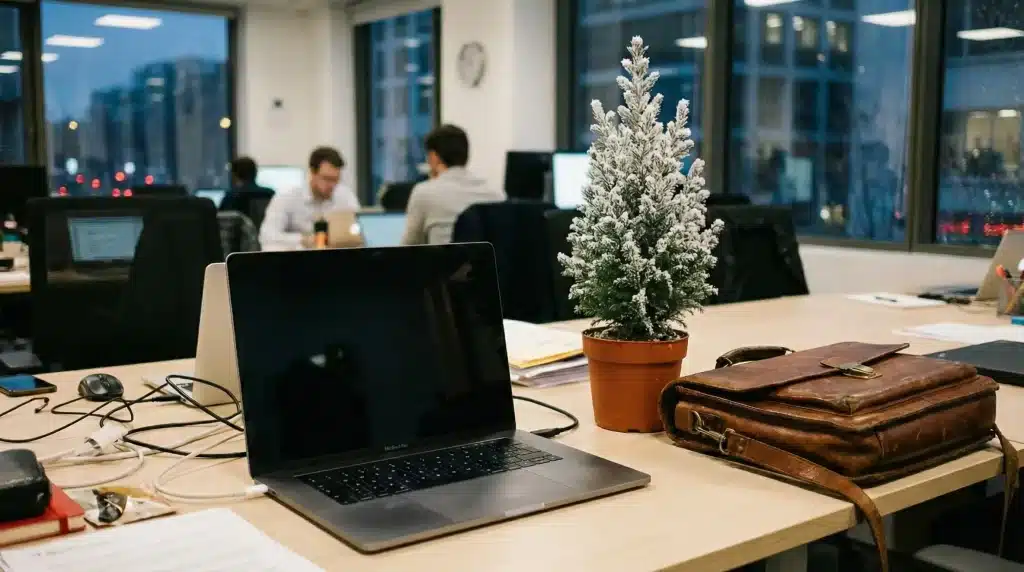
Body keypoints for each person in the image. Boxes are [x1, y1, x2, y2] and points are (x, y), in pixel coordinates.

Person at [401, 125, 504, 245]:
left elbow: (408, 248)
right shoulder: (497, 194)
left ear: (433, 157)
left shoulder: (424, 192)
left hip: (444, 264)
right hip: (486, 264)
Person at [259, 147, 359, 250]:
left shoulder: (345, 196)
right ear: (312, 173)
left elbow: (360, 230)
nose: (332, 185)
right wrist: (303, 240)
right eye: (327, 179)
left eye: (336, 180)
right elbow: (267, 235)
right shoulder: (287, 197)